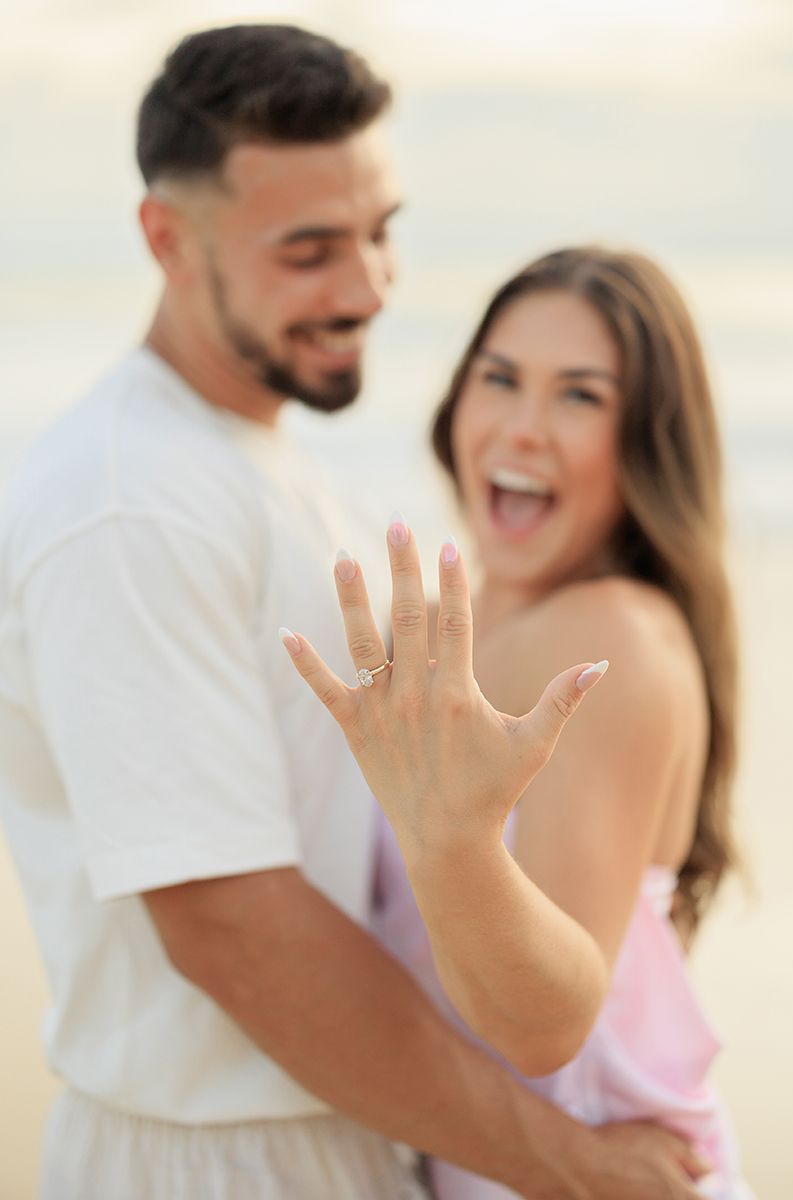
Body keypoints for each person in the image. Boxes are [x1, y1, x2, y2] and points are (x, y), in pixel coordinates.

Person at [0, 23, 711, 1199]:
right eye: (310, 249)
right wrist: (577, 1171)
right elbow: (231, 928)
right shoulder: (131, 502)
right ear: (166, 241)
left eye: (381, 232)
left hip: (367, 1133)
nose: (368, 286)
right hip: (219, 1163)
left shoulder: (282, 471)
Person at [285, 248, 754, 1199]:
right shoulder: (479, 627)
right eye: (499, 378)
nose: (524, 427)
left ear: (643, 442)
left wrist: (452, 838)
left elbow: (545, 1030)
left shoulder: (606, 637)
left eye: (580, 397)